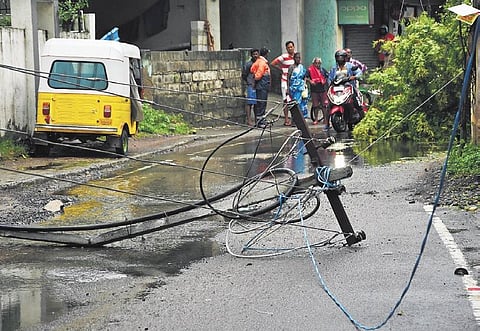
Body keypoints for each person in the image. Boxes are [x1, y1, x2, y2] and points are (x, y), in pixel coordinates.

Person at [328, 49, 362, 125]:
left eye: (341, 57)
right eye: (338, 58)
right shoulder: (334, 68)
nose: (340, 59)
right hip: (338, 88)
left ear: (345, 58)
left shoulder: (350, 66)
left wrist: (355, 77)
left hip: (349, 87)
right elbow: (330, 78)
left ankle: (362, 117)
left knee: (356, 102)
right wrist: (329, 84)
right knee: (329, 104)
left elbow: (359, 72)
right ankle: (327, 124)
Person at [270, 40, 296, 126]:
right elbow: (273, 63)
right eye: (288, 47)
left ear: (294, 47)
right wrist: (281, 69)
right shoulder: (284, 57)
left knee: (294, 100)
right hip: (285, 81)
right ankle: (286, 119)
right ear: (286, 48)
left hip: (294, 82)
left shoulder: (296, 56)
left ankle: (294, 119)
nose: (290, 49)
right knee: (285, 100)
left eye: (291, 47)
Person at [250, 47, 271, 128]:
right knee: (262, 103)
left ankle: (261, 119)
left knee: (260, 103)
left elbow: (252, 69)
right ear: (266, 54)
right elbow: (258, 76)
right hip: (262, 85)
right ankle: (260, 121)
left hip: (261, 85)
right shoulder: (262, 63)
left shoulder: (258, 61)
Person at [306, 57, 328, 126]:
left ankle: (325, 119)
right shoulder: (310, 70)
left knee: (324, 105)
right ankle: (316, 119)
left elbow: (327, 76)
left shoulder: (323, 70)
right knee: (315, 106)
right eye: (316, 63)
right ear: (313, 63)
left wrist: (325, 80)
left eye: (319, 63)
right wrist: (310, 81)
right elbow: (306, 77)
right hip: (314, 90)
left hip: (322, 89)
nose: (317, 64)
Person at [286, 52, 309, 119]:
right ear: (294, 58)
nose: (298, 59)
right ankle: (294, 119)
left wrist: (304, 85)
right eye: (296, 57)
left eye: (299, 58)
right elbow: (288, 78)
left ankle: (302, 119)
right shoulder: (291, 67)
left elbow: (304, 77)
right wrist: (287, 88)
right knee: (295, 104)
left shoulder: (302, 67)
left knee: (302, 104)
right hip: (293, 89)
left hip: (301, 88)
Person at [241, 48, 259, 126]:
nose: (255, 55)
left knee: (257, 103)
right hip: (251, 86)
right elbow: (244, 75)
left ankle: (256, 119)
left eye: (257, 54)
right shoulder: (248, 64)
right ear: (251, 55)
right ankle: (248, 120)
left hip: (258, 86)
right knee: (249, 103)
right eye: (254, 54)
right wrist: (249, 82)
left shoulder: (259, 63)